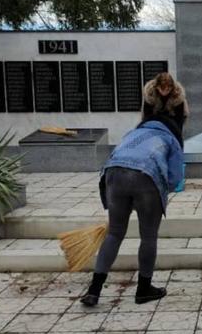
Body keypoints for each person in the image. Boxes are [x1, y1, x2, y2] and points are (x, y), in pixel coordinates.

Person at [80, 116, 184, 306]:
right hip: (147, 177)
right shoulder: (171, 139)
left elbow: (116, 157)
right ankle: (144, 289)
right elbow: (175, 179)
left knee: (114, 233)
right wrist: (155, 193)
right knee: (148, 236)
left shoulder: (132, 133)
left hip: (113, 174)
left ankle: (94, 290)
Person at [142, 72, 189, 139]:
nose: (166, 91)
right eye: (163, 89)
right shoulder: (150, 95)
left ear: (172, 87)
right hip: (154, 118)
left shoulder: (178, 96)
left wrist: (177, 137)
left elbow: (179, 120)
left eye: (168, 89)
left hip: (173, 119)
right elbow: (146, 117)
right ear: (157, 87)